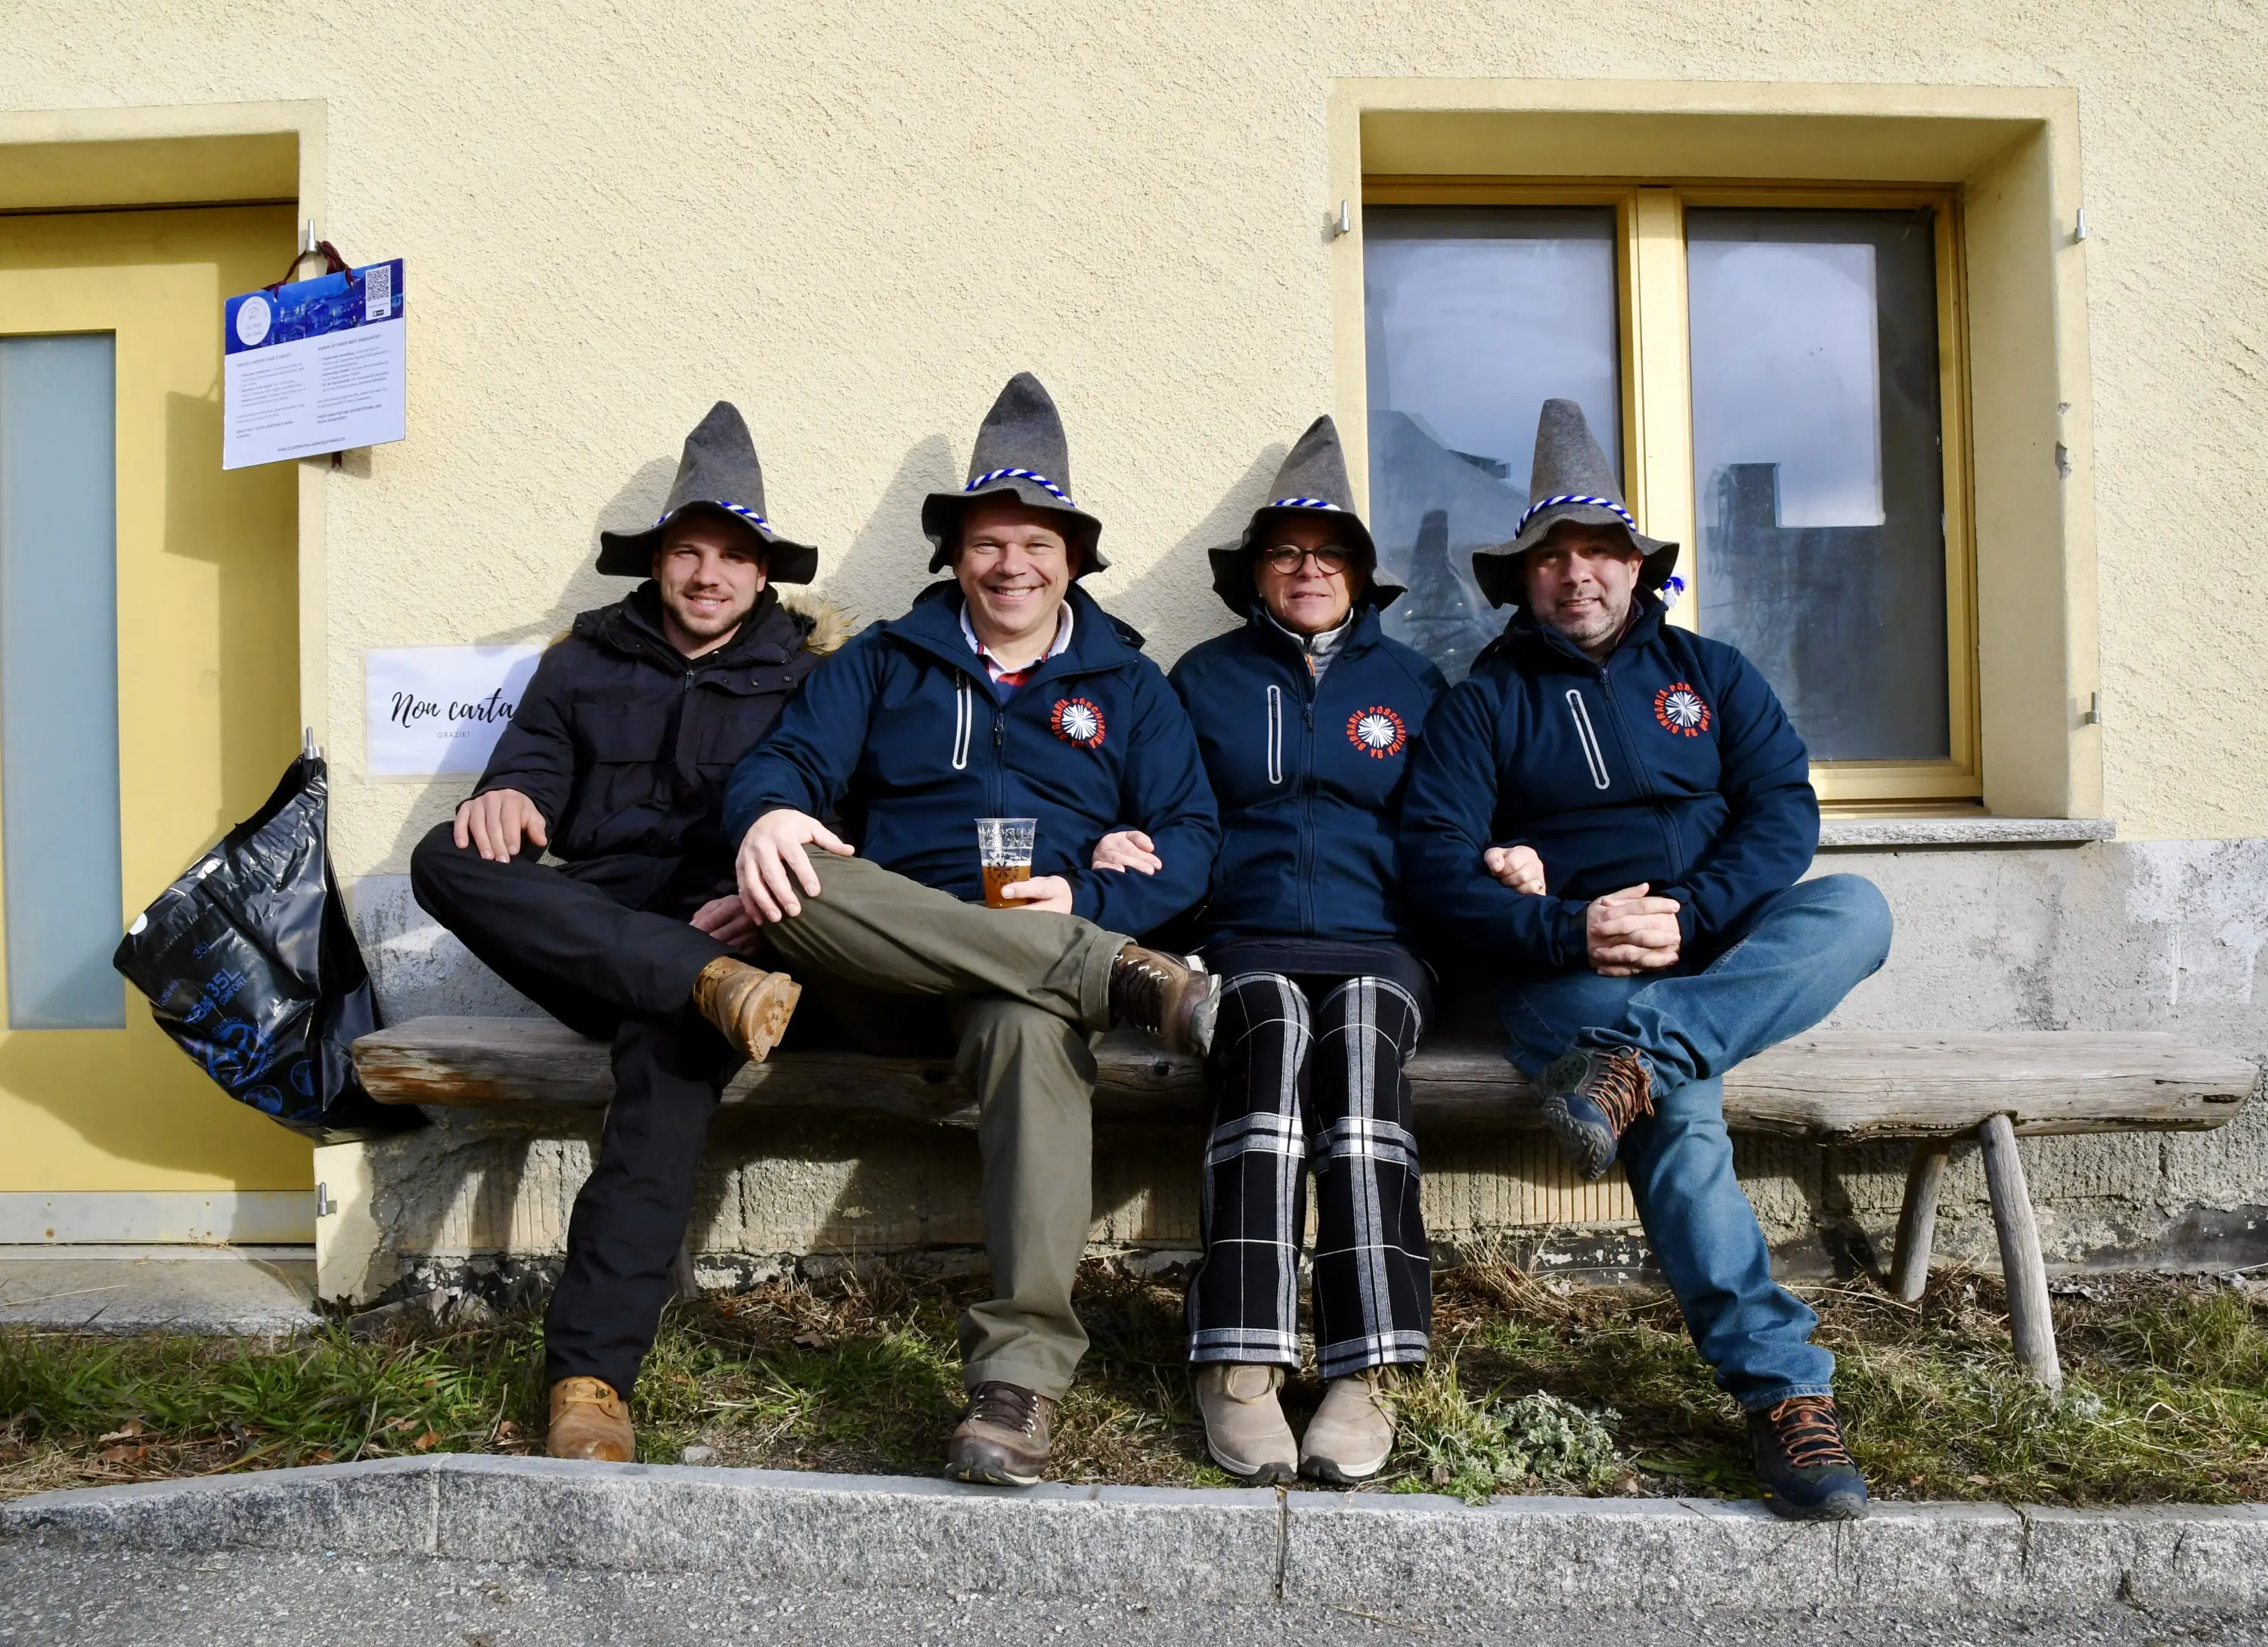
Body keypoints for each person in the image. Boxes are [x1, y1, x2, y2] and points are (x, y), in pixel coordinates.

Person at [720, 372, 1222, 1487]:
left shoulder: (1129, 686)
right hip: (885, 969)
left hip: (1021, 981)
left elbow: (1191, 834)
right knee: (794, 872)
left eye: (1036, 544)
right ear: (956, 553)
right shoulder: (882, 663)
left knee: (1028, 1025)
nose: (1013, 565)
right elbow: (782, 763)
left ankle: (1018, 1383)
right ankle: (1114, 977)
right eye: (990, 542)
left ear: (1073, 559)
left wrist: (1097, 901)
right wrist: (767, 811)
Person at [1399, 399, 1894, 1521]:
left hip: (1711, 954)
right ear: (1523, 582)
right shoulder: (1484, 705)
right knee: (1681, 1113)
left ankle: (1637, 1055)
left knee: (1858, 908)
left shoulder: (1714, 675)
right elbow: (1433, 865)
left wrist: (1689, 910)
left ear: (1637, 566)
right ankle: (1783, 1394)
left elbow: (1783, 812)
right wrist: (1570, 925)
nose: (1577, 574)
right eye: (1551, 557)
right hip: (1562, 972)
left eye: (1600, 551)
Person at [411, 402, 844, 1464]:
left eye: (731, 556)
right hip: (600, 939)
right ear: (655, 562)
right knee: (442, 853)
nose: (707, 574)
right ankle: (696, 979)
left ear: (762, 573)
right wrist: (507, 796)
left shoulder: (812, 672)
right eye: (687, 552)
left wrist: (762, 893)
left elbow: (838, 815)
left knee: (665, 1052)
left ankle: (589, 1379)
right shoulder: (581, 662)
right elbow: (527, 774)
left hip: (741, 937)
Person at [1163, 417, 1447, 1486]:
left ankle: (1361, 1366)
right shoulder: (1203, 678)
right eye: (1286, 552)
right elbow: (1176, 814)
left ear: (1363, 577)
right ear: (1255, 575)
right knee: (1272, 1020)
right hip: (1245, 939)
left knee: (1361, 1033)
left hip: (1385, 945)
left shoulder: (1416, 685)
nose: (1308, 569)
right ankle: (1238, 1359)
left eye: (1330, 554)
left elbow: (1448, 825)